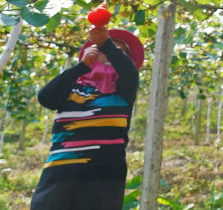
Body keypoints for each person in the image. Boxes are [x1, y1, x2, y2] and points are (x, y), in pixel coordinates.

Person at [31, 25, 144, 210]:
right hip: (60, 175)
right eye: (103, 50)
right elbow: (46, 98)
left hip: (104, 178)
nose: (110, 54)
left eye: (119, 52)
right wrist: (82, 67)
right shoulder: (72, 86)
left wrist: (106, 44)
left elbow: (130, 73)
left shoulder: (123, 89)